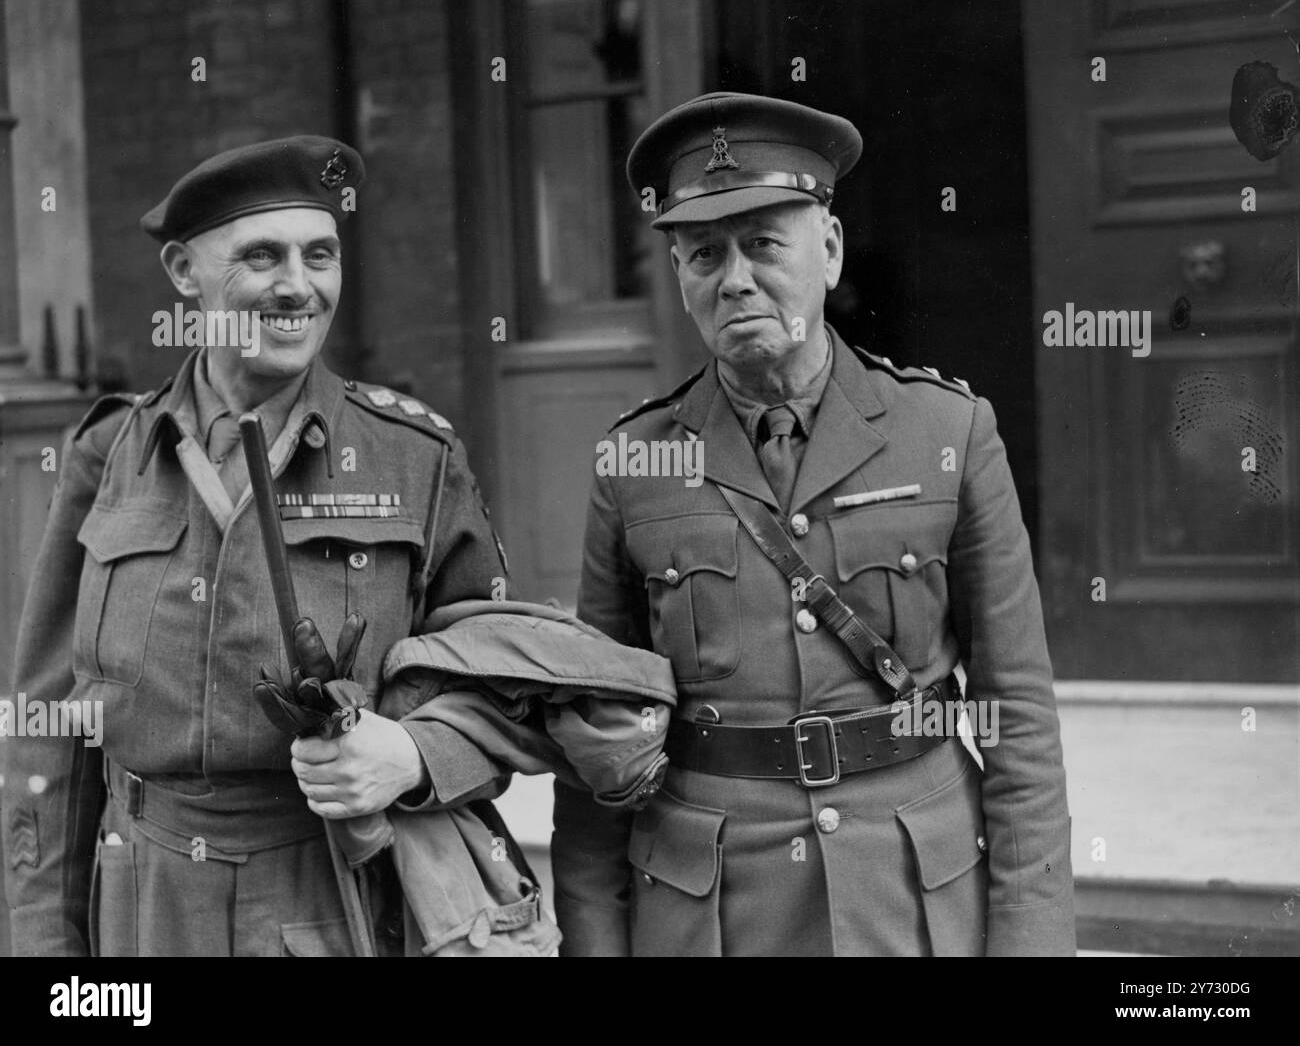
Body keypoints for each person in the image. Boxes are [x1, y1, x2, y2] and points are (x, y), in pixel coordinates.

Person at [551, 92, 1076, 957]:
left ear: (828, 252)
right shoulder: (635, 464)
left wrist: (1029, 942)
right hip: (711, 913)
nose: (735, 279)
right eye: (703, 254)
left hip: (911, 898)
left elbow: (1014, 712)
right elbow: (594, 743)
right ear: (678, 274)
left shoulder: (947, 433)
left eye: (763, 244)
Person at [2, 135, 510, 956]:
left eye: (321, 254)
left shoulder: (413, 459)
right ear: (183, 272)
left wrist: (413, 753)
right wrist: (44, 947)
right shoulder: (107, 456)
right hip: (141, 904)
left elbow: (505, 687)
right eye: (262, 257)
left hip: (330, 895)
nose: (298, 286)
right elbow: (49, 727)